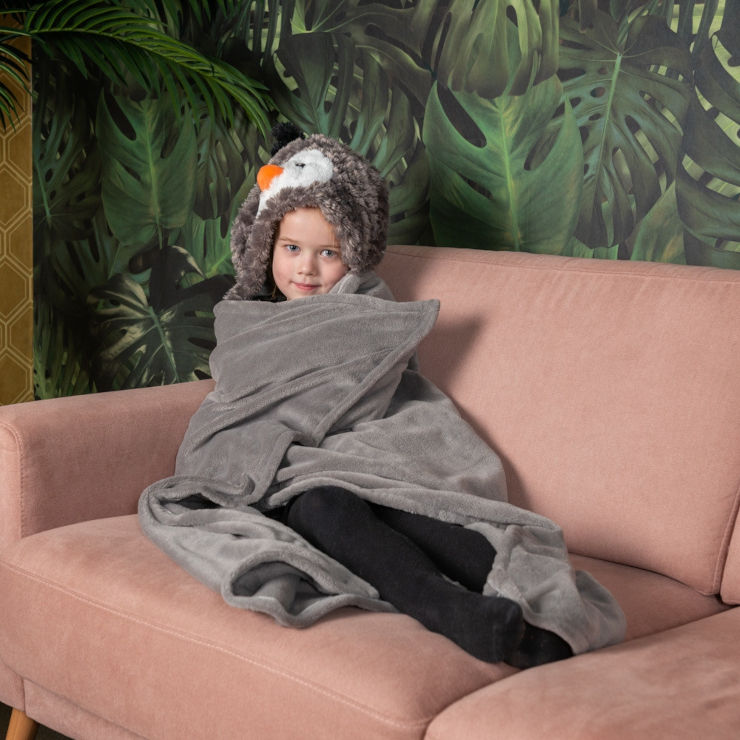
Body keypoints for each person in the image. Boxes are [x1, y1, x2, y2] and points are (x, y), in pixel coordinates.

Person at [140, 125, 625, 670]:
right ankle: (447, 608)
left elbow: (376, 391)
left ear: (353, 255)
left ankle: (541, 625)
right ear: (264, 246)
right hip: (304, 478)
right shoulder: (248, 320)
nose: (306, 268)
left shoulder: (365, 309)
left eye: (327, 253)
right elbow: (240, 401)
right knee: (323, 506)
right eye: (291, 248)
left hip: (372, 452)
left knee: (412, 514)